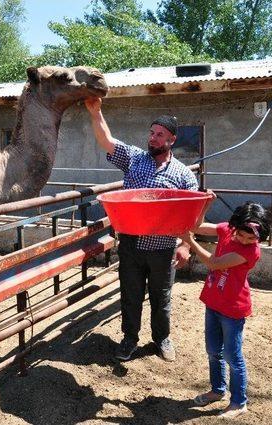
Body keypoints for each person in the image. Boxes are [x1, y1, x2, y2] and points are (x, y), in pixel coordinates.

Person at [84, 97, 198, 362]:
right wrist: (96, 112)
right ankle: (129, 339)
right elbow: (106, 140)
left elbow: (189, 215)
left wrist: (184, 246)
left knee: (162, 298)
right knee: (131, 295)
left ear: (171, 140)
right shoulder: (134, 159)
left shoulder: (183, 175)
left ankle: (161, 338)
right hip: (132, 245)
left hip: (163, 247)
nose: (153, 138)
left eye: (160, 135)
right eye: (151, 133)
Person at [179, 199, 270, 419]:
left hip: (233, 308)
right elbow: (197, 225)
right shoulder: (227, 230)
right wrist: (206, 205)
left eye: (252, 238)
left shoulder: (250, 252)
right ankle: (217, 389)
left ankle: (239, 402)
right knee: (213, 351)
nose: (246, 240)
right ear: (235, 226)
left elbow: (214, 263)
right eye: (242, 235)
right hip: (214, 301)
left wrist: (189, 242)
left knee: (232, 356)